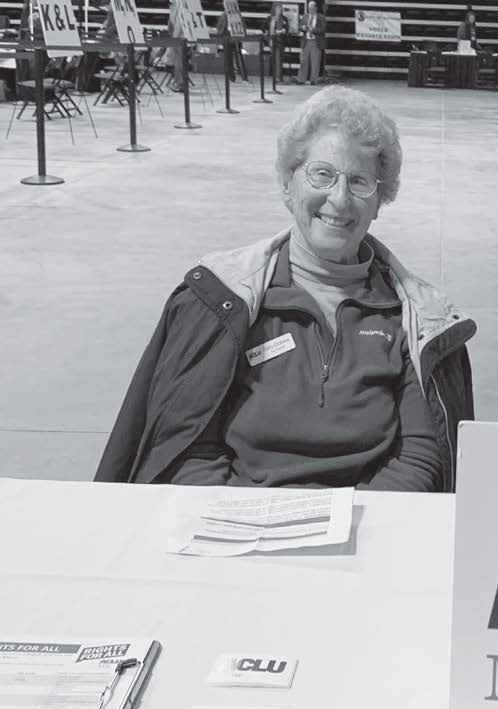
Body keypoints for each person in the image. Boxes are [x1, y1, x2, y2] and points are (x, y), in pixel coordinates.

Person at [95, 87, 477, 492]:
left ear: (380, 200)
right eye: (322, 174)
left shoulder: (414, 318)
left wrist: (355, 528)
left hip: (366, 527)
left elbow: (420, 456)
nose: (340, 198)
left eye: (360, 182)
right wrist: (246, 520)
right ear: (286, 184)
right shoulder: (218, 302)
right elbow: (187, 448)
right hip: (234, 524)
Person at [216, 10, 249, 83]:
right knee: (228, 59)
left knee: (239, 59)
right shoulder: (224, 15)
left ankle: (243, 77)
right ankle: (231, 77)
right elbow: (219, 27)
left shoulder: (237, 14)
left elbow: (243, 26)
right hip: (227, 38)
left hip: (236, 37)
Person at [298, 0, 324, 84]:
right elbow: (300, 26)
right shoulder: (305, 16)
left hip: (316, 42)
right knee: (303, 61)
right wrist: (303, 28)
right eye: (309, 8)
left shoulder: (321, 17)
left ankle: (313, 80)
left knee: (315, 62)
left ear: (316, 8)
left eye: (312, 7)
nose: (310, 9)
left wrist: (313, 30)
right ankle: (302, 80)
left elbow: (323, 29)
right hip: (306, 41)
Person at [269, 3, 290, 83]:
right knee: (274, 60)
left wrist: (283, 31)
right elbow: (264, 27)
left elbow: (287, 29)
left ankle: (278, 78)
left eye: (280, 9)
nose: (279, 10)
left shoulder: (284, 18)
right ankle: (275, 77)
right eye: (278, 9)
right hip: (272, 41)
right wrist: (269, 32)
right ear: (274, 9)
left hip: (280, 41)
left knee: (279, 60)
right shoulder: (270, 18)